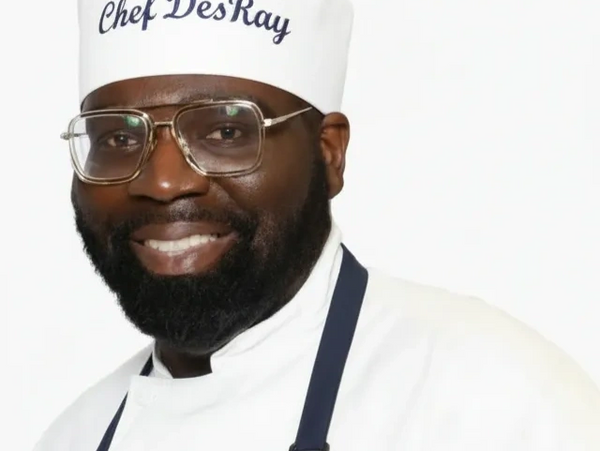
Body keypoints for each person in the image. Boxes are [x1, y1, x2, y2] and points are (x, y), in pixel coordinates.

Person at [34, 0, 600, 449]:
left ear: (328, 153)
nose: (162, 182)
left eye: (227, 131)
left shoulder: (498, 404)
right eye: (119, 137)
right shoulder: (73, 437)